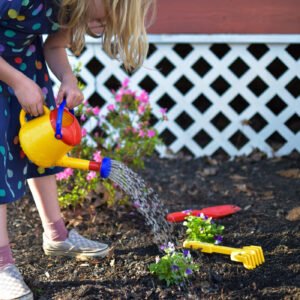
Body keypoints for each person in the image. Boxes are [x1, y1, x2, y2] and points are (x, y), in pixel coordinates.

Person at [0, 0, 154, 299]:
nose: (99, 28)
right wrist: (17, 81)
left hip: (29, 72)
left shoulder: (72, 8)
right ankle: (2, 266)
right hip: (11, 74)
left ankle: (57, 236)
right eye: (104, 20)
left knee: (43, 153)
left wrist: (69, 80)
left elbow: (54, 47)